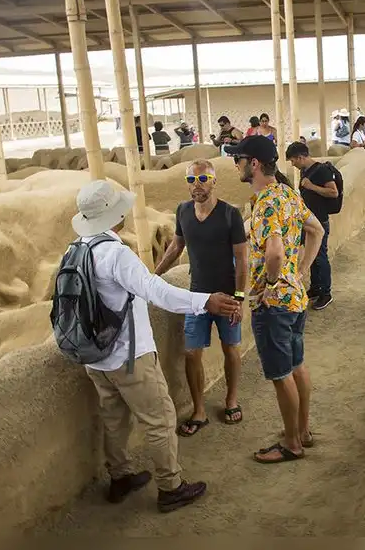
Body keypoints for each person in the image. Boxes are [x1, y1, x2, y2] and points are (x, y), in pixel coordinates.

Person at [67, 179, 241, 512]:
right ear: (114, 216)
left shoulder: (75, 250)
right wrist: (204, 301)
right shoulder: (115, 254)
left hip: (94, 357)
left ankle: (120, 477)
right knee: (160, 419)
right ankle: (171, 487)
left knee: (114, 419)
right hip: (129, 356)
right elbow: (154, 291)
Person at [224, 135, 325, 464]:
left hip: (274, 304)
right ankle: (302, 431)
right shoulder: (287, 193)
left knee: (281, 374)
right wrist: (300, 271)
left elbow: (275, 252)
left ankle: (292, 444)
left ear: (253, 164)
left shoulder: (266, 202)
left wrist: (269, 284)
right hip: (294, 298)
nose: (236, 165)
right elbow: (316, 230)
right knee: (297, 366)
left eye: (238, 160)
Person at [154, 160, 248, 436]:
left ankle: (231, 400)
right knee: (191, 353)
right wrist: (154, 276)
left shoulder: (230, 214)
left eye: (203, 179)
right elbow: (177, 245)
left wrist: (239, 298)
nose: (197, 185)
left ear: (214, 181)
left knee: (231, 349)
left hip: (227, 295)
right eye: (191, 180)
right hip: (196, 296)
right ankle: (199, 410)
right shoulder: (183, 211)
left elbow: (242, 259)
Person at [286, 141, 337, 310]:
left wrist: (312, 186)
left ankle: (326, 293)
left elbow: (333, 192)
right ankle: (316, 288)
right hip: (309, 221)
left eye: (293, 160)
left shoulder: (322, 170)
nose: (292, 164)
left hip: (319, 221)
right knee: (312, 255)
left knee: (320, 257)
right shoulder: (305, 171)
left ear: (301, 157)